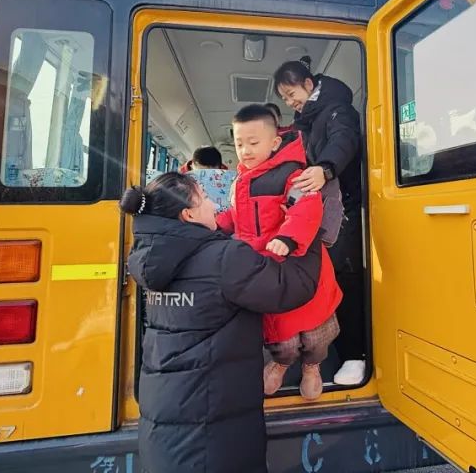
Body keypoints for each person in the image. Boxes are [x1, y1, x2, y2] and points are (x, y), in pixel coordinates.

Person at [121, 172, 324, 473]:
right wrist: (306, 229)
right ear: (188, 214)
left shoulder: (149, 260)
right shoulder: (224, 258)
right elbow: (291, 286)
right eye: (204, 198)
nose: (213, 204)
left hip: (164, 423)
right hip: (214, 427)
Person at [216, 104, 342, 399]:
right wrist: (215, 225)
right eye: (239, 143)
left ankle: (313, 367)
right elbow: (236, 214)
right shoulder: (239, 181)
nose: (245, 151)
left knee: (315, 334)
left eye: (253, 143)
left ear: (274, 143)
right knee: (280, 334)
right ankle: (281, 364)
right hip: (265, 268)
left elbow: (307, 207)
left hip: (300, 264)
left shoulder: (293, 174)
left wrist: (288, 237)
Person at [273, 56, 367, 386]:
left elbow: (345, 141)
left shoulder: (339, 111)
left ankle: (356, 355)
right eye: (284, 98)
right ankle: (329, 352)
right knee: (326, 280)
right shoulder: (307, 121)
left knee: (347, 280)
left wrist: (325, 168)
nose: (289, 102)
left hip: (345, 210)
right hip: (321, 211)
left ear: (308, 85)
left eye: (290, 93)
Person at [186, 146, 236, 213]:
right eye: (201, 173)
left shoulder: (230, 180)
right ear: (192, 165)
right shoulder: (179, 180)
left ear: (220, 167)